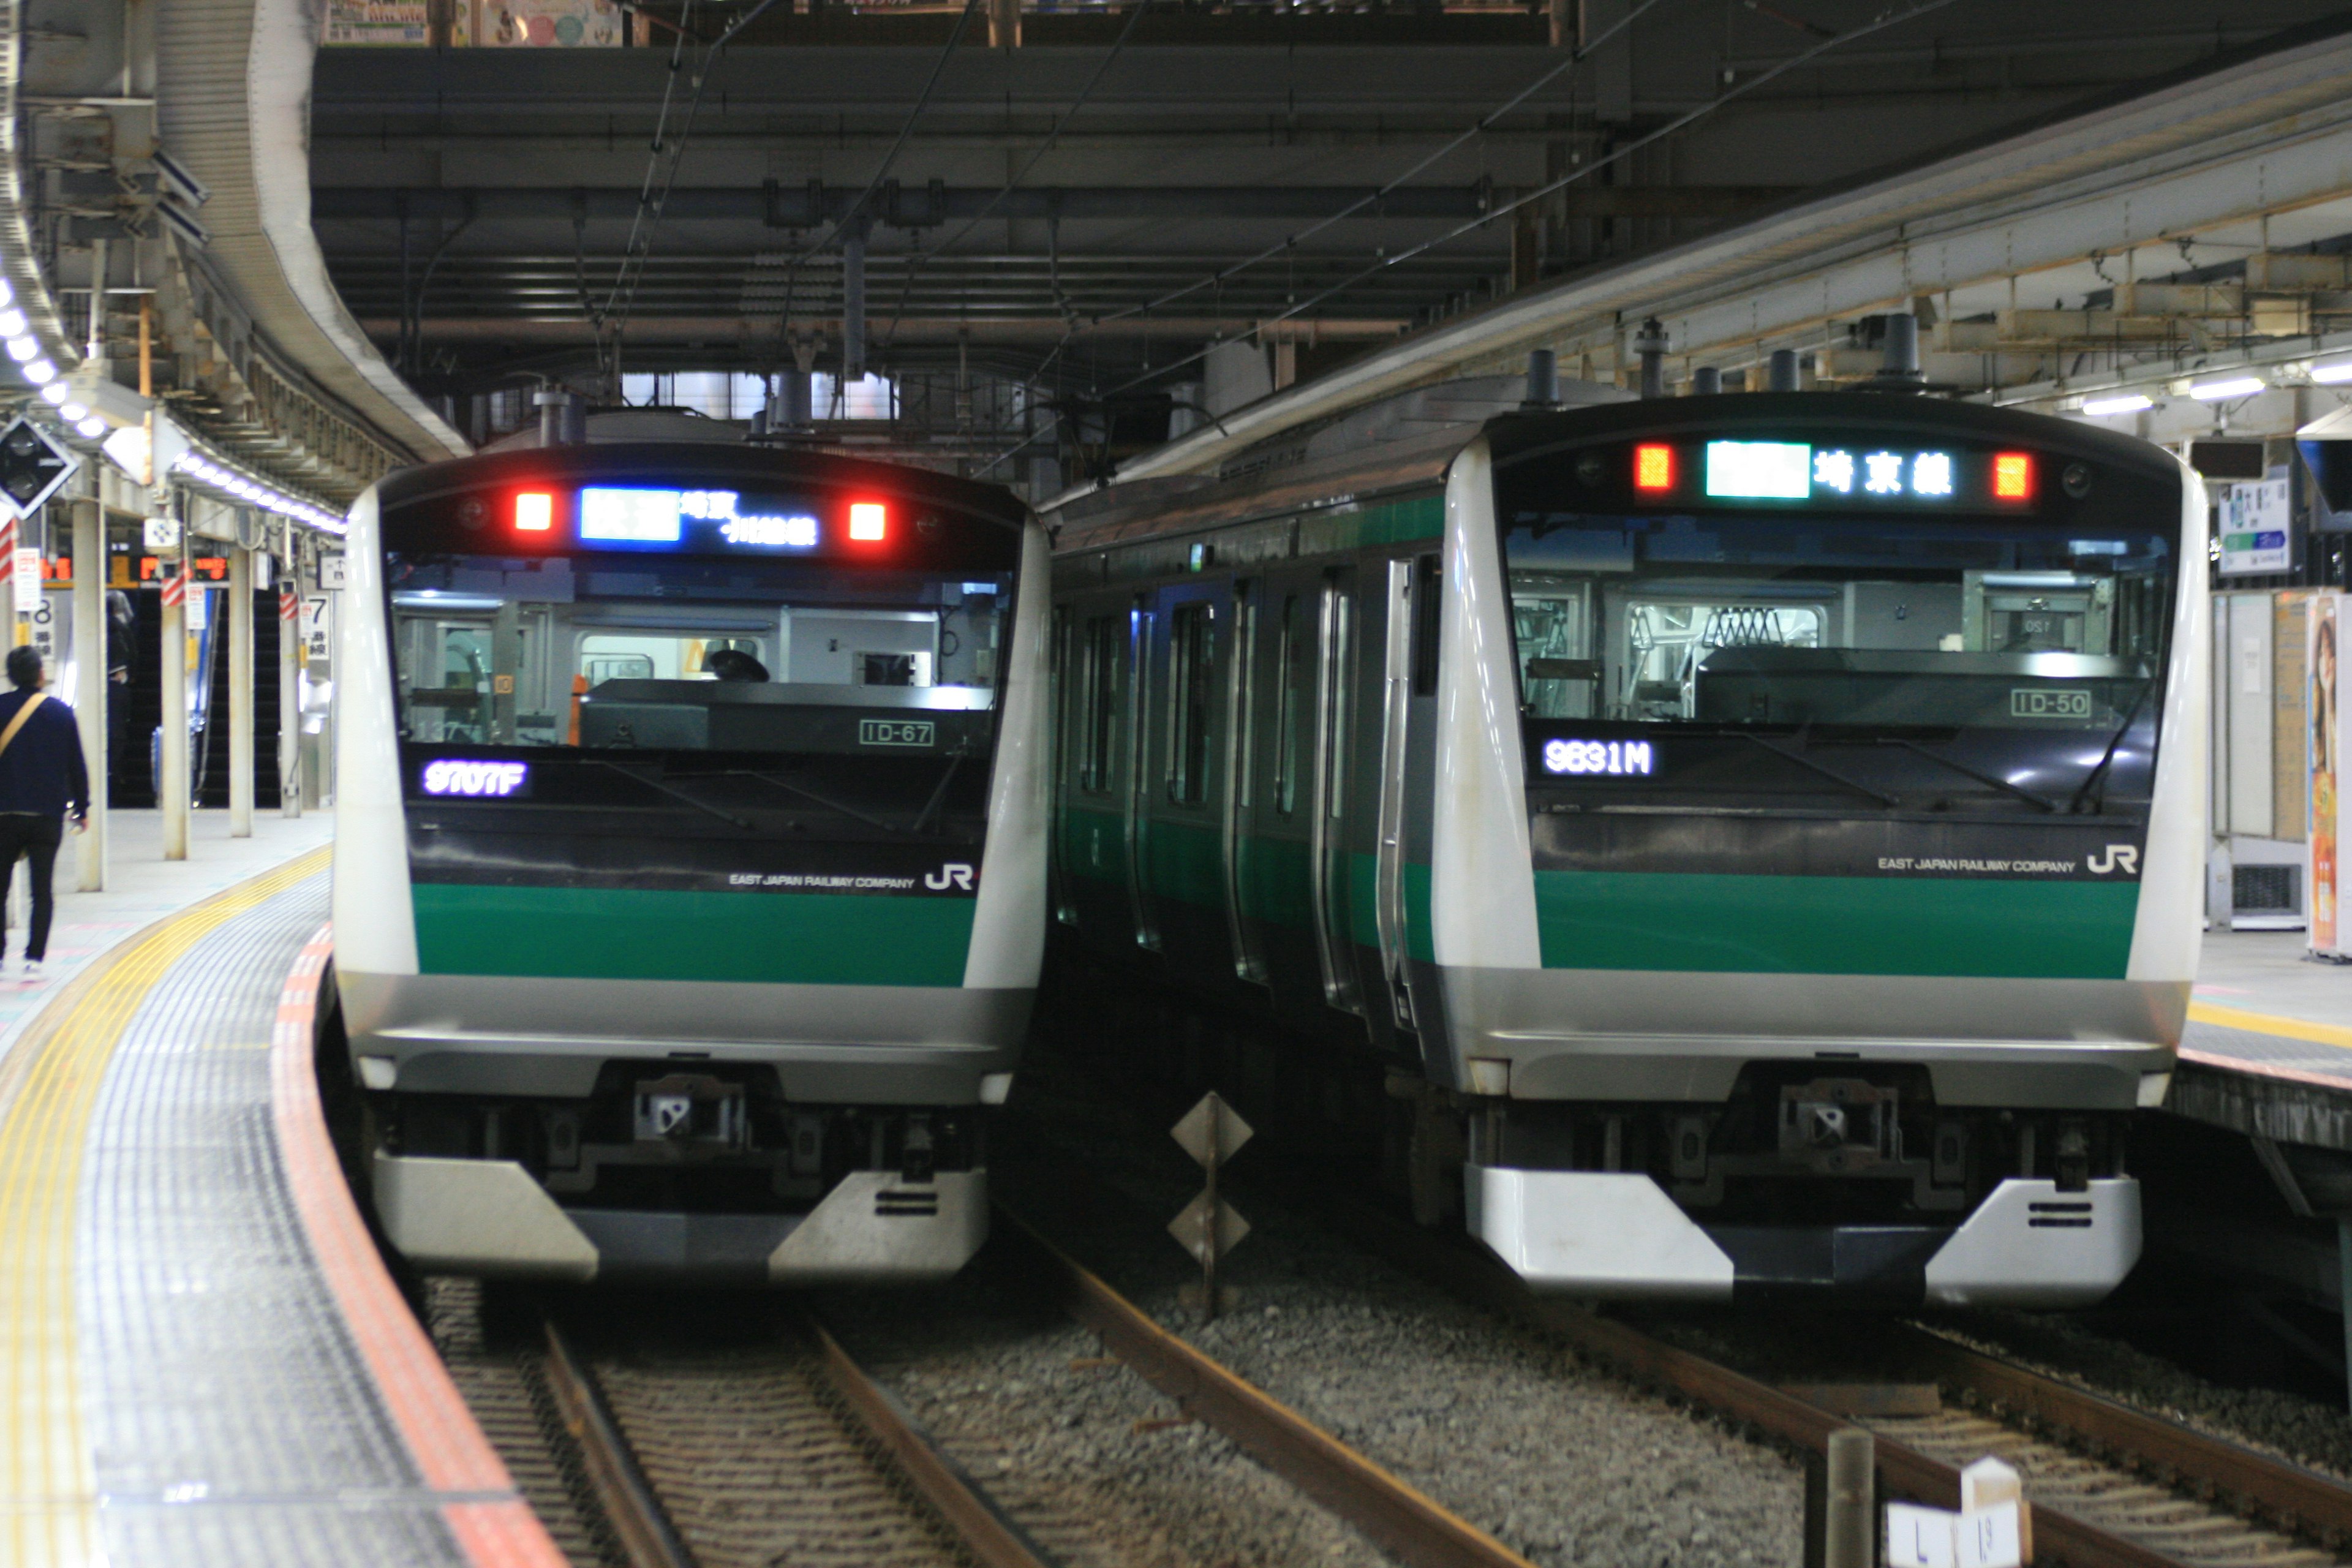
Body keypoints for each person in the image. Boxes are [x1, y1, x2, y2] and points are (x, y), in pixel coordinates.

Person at [0, 647, 89, 979]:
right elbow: (76, 766)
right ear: (41, 674)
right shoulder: (61, 713)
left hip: (4, 814)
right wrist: (83, 808)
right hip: (47, 816)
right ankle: (34, 958)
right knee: (42, 890)